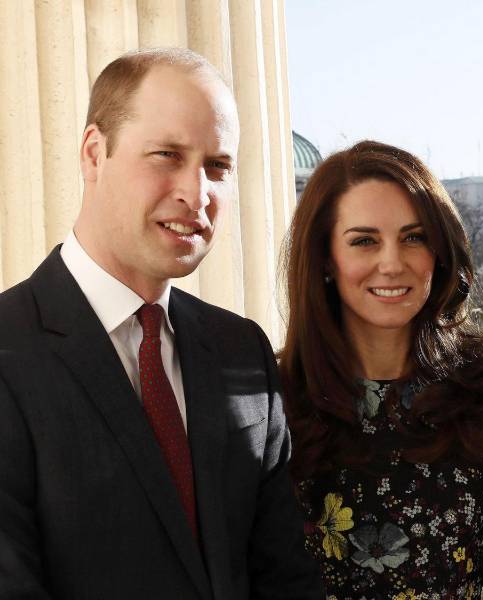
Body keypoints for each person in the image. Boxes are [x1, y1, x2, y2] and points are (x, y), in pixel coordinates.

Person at [0, 48, 323, 599]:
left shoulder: (242, 351)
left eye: (217, 166)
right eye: (166, 155)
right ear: (94, 153)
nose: (197, 194)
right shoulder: (10, 350)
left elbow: (285, 579)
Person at [279, 140, 483, 599]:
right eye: (364, 241)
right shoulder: (274, 401)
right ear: (325, 258)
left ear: (439, 252)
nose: (391, 263)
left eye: (414, 237)